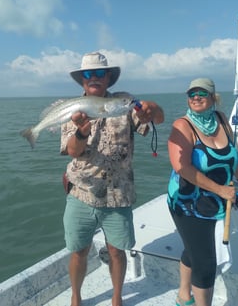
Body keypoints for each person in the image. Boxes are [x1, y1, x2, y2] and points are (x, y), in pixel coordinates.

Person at [60, 51, 164, 306]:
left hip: (119, 194)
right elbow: (72, 151)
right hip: (81, 193)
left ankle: (117, 298)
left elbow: (155, 120)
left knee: (117, 251)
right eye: (88, 74)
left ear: (108, 78)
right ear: (81, 80)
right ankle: (76, 296)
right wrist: (81, 133)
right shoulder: (72, 108)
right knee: (78, 251)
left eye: (99, 73)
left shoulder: (124, 102)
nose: (93, 77)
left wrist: (154, 108)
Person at [167, 77, 238, 306]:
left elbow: (232, 156)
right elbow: (183, 168)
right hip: (187, 204)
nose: (196, 97)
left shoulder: (220, 119)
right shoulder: (182, 126)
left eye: (201, 93)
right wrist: (221, 189)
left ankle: (183, 296)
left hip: (216, 201)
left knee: (193, 249)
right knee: (205, 263)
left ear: (213, 97)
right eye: (192, 94)